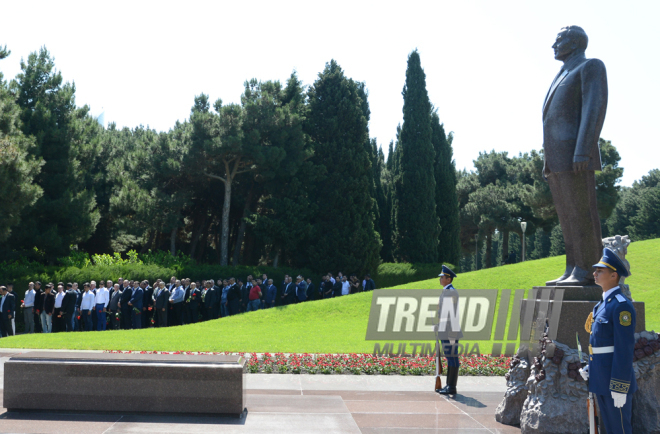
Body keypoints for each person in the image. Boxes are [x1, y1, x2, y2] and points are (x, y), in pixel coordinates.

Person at [542, 26, 608, 286]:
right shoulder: (563, 72)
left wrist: (584, 149)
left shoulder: (591, 66)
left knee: (582, 214)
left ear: (575, 42)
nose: (553, 45)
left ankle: (587, 270)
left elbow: (594, 109)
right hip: (557, 158)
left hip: (575, 156)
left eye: (558, 40)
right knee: (567, 216)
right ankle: (573, 267)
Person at [579, 248, 636, 434]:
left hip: (614, 381)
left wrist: (620, 385)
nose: (594, 273)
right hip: (601, 376)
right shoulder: (602, 305)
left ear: (613, 275)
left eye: (600, 271)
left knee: (619, 429)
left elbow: (624, 349)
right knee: (608, 429)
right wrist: (591, 367)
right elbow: (601, 345)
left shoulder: (621, 306)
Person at [435, 265, 462, 395]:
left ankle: (451, 387)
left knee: (452, 357)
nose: (440, 279)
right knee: (451, 357)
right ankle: (450, 385)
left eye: (442, 277)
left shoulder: (450, 292)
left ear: (449, 279)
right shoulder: (448, 291)